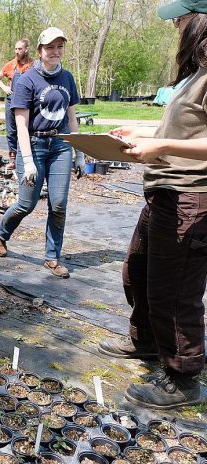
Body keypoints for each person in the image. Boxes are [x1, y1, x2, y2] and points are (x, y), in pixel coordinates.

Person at [98, 0, 207, 409]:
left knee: (175, 291)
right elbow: (188, 126)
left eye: (180, 20)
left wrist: (159, 144)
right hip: (164, 193)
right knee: (139, 271)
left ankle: (182, 377)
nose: (175, 27)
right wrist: (142, 130)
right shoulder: (196, 73)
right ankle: (145, 341)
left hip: (191, 197)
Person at [0, 27, 85, 278]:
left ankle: (52, 257)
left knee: (59, 204)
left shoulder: (67, 78)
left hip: (61, 146)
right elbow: (20, 124)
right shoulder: (27, 80)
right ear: (40, 51)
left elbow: (72, 117)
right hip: (33, 145)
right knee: (26, 203)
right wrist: (29, 161)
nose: (55, 52)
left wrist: (80, 153)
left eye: (59, 47)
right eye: (50, 47)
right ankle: (0, 231)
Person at [0, 39, 33, 169]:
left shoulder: (33, 65)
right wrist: (4, 87)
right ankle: (13, 160)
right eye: (15, 49)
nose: (17, 52)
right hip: (12, 100)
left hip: (27, 101)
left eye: (20, 49)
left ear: (26, 49)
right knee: (11, 131)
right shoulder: (11, 65)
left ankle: (27, 157)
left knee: (27, 129)